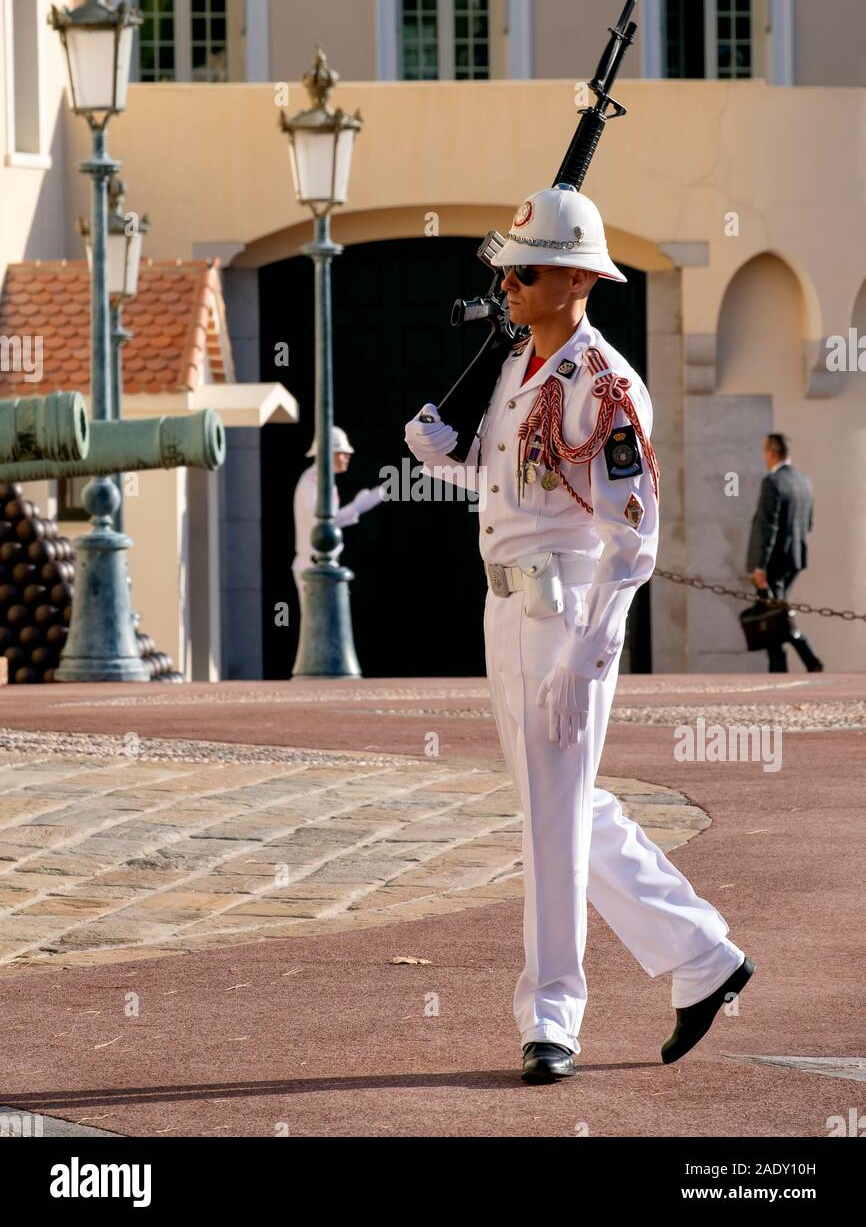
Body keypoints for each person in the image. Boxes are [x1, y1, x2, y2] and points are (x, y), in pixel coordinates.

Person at [404, 184, 754, 1084]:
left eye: (527, 272)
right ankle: (704, 958)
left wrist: (587, 656)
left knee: (553, 824)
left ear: (575, 280)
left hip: (565, 620)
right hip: (506, 612)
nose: (508, 284)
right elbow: (516, 484)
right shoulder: (520, 370)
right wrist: (451, 456)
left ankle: (552, 1015)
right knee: (561, 811)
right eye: (509, 271)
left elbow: (632, 539)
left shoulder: (604, 385)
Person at [746, 433, 823, 673]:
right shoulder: (804, 481)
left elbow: (768, 526)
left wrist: (760, 566)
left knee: (774, 617)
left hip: (773, 563)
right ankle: (801, 660)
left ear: (771, 451)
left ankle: (800, 660)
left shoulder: (773, 481)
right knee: (777, 613)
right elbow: (808, 523)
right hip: (795, 558)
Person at [292, 427, 383, 600]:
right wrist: (357, 506)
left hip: (321, 566)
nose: (347, 457)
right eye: (342, 453)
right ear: (327, 453)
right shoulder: (312, 481)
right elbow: (322, 525)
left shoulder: (322, 481)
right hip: (313, 568)